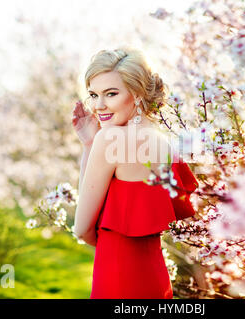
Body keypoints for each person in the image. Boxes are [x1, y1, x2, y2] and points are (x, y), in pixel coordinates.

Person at [71, 47, 198, 299]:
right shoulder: (165, 143)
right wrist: (89, 143)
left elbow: (82, 228)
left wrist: (92, 144)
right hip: (155, 275)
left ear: (138, 94)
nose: (99, 105)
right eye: (94, 94)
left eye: (111, 94)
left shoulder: (110, 139)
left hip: (118, 274)